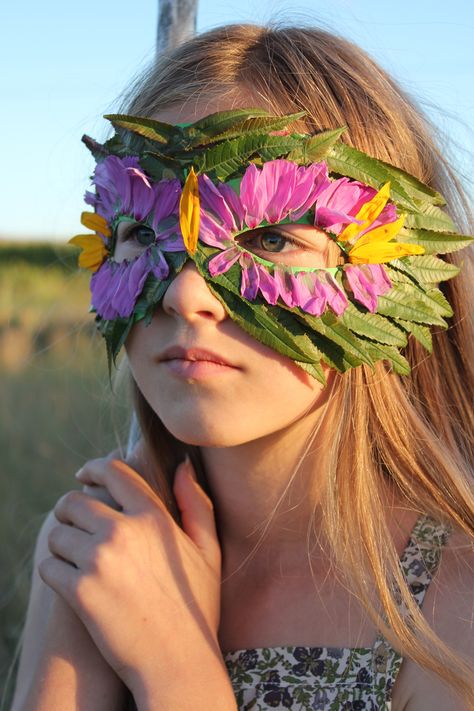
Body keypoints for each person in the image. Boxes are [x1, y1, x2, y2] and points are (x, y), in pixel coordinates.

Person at [10, 23, 473, 711]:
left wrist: (175, 671)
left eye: (271, 236)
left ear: (394, 268)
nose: (186, 293)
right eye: (142, 231)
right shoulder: (100, 545)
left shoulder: (447, 615)